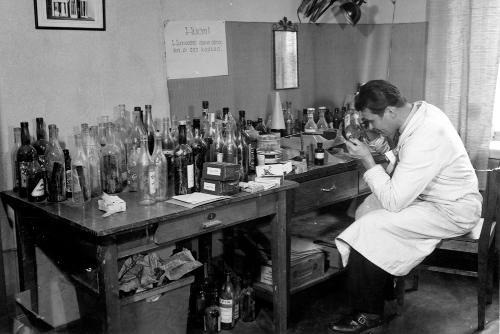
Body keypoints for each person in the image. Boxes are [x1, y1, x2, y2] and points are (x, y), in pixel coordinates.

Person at [329, 80, 482, 333]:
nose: (371, 126)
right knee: (365, 208)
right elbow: (408, 161)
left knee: (371, 225)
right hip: (433, 198)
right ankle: (383, 284)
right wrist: (379, 145)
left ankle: (368, 312)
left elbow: (394, 199)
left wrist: (368, 160)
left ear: (389, 111)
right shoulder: (421, 112)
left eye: (371, 121)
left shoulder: (427, 132)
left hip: (453, 209)